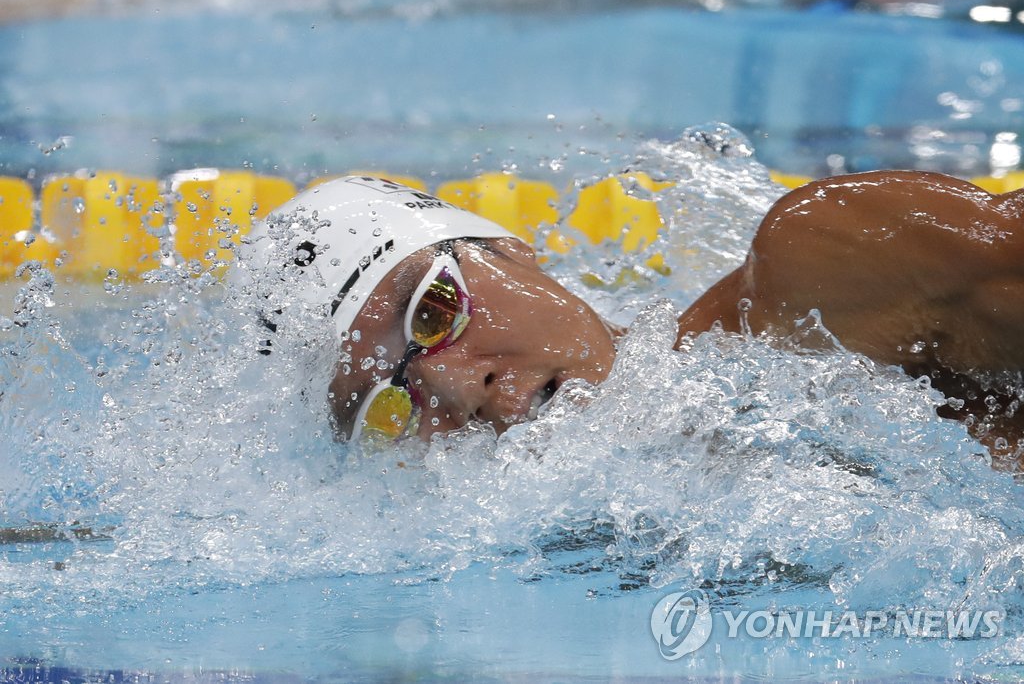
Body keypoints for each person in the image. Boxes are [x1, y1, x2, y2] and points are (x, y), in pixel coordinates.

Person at [240, 172, 1024, 464]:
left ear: (512, 250)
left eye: (434, 310)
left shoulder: (830, 268)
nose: (452, 387)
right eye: (389, 408)